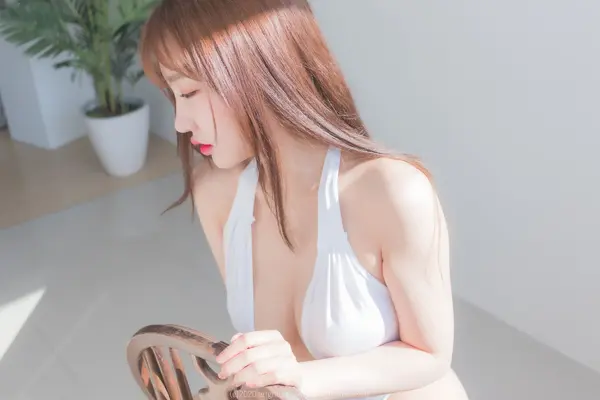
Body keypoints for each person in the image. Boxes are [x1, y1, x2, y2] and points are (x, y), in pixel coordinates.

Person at [140, 0, 468, 399]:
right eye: (175, 97)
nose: (180, 122)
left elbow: (430, 354)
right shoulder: (217, 194)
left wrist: (301, 378)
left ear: (255, 66)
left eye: (189, 92)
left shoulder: (391, 191)